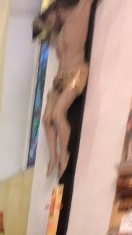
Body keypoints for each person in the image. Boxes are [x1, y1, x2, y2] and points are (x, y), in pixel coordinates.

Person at [36, 0, 96, 178]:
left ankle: (64, 154)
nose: (49, 25)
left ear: (56, 9)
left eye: (49, 20)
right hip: (60, 78)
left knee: (57, 115)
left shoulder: (79, 14)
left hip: (76, 72)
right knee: (46, 119)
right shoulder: (60, 32)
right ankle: (53, 156)